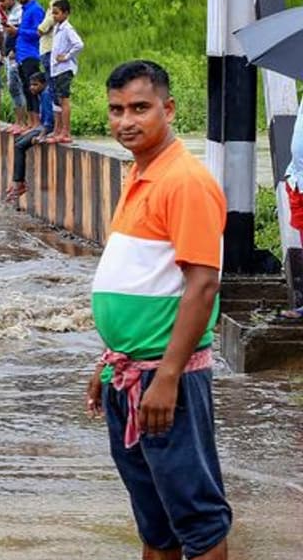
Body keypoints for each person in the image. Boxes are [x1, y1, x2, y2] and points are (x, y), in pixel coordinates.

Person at [86, 60, 231, 560]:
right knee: (154, 518)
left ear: (168, 109)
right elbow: (143, 276)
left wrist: (168, 376)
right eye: (116, 109)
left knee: (198, 519)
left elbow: (203, 285)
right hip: (126, 372)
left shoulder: (185, 181)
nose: (126, 120)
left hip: (165, 379)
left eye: (140, 108)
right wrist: (107, 358)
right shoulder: (139, 173)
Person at [5, 72, 54, 203]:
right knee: (18, 142)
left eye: (35, 84)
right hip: (42, 126)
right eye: (31, 85)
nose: (32, 87)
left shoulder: (46, 95)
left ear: (44, 84)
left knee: (20, 146)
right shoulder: (41, 94)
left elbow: (49, 121)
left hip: (47, 129)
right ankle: (18, 182)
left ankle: (19, 183)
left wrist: (41, 136)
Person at [47, 0, 84, 144]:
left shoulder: (67, 29)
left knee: (64, 99)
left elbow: (79, 44)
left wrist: (67, 56)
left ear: (66, 14)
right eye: (53, 13)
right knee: (57, 100)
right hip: (56, 69)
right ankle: (58, 130)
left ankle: (66, 132)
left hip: (64, 68)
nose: (54, 16)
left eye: (57, 13)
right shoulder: (57, 28)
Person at [12, 0, 46, 123]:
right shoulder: (24, 10)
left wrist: (18, 31)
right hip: (21, 55)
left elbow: (38, 33)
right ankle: (31, 122)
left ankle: (36, 123)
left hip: (31, 54)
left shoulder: (36, 9)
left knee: (33, 90)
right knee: (26, 89)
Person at [0, 0, 28, 133]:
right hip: (8, 55)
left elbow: (19, 33)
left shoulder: (20, 12)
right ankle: (18, 121)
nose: (1, 4)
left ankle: (23, 122)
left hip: (16, 54)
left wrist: (15, 49)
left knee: (17, 86)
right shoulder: (7, 13)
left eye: (3, 1)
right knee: (12, 87)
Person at [38, 0, 65, 78]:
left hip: (51, 47)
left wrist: (40, 29)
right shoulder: (53, 2)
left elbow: (51, 20)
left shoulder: (59, 2)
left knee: (52, 82)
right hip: (47, 47)